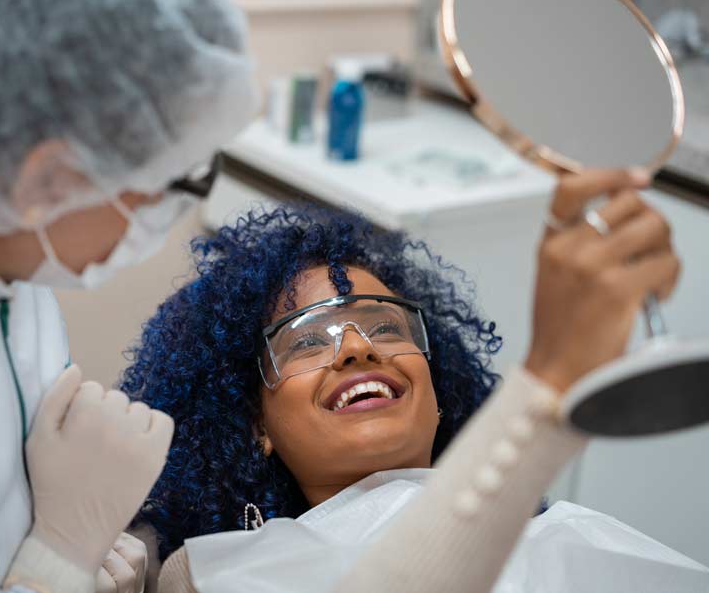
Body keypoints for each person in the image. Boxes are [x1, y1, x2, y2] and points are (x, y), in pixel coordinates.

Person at [120, 170, 683, 592]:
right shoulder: (214, 572)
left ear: (439, 393)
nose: (358, 348)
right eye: (309, 340)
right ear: (254, 425)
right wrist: (548, 385)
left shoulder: (569, 533)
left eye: (386, 327)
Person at [0, 0, 258, 593]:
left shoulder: (4, 253)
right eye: (161, 178)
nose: (163, 211)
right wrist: (55, 561)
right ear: (48, 179)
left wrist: (78, 544)